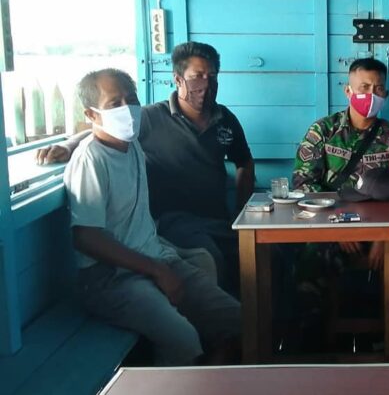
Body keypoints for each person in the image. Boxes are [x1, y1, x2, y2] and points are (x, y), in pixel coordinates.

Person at [38, 42, 254, 290]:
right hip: (174, 222)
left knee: (262, 253)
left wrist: (242, 210)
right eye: (197, 76)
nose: (205, 84)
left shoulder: (225, 119)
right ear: (178, 79)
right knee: (211, 259)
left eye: (212, 76)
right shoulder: (151, 118)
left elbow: (244, 162)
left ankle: (255, 314)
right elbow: (103, 129)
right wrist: (68, 146)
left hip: (218, 219)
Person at [64, 69, 241, 365]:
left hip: (154, 256)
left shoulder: (132, 143)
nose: (127, 110)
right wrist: (157, 271)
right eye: (114, 104)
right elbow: (86, 237)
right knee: (184, 339)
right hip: (112, 278)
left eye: (131, 100)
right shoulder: (90, 160)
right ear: (92, 114)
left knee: (235, 320)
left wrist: (159, 266)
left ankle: (211, 377)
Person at [293, 57, 389, 268]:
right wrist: (337, 224)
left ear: (385, 95)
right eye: (364, 87)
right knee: (314, 258)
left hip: (381, 221)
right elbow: (303, 184)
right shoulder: (323, 131)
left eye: (378, 89)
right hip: (330, 219)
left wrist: (384, 234)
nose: (371, 95)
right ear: (348, 91)